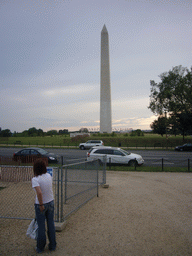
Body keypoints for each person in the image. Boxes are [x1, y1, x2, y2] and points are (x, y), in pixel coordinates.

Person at [32, 159, 56, 253]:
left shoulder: (35, 179)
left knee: (41, 226)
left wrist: (41, 204)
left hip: (41, 204)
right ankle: (52, 245)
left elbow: (39, 192)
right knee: (51, 224)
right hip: (51, 201)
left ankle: (40, 247)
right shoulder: (49, 176)